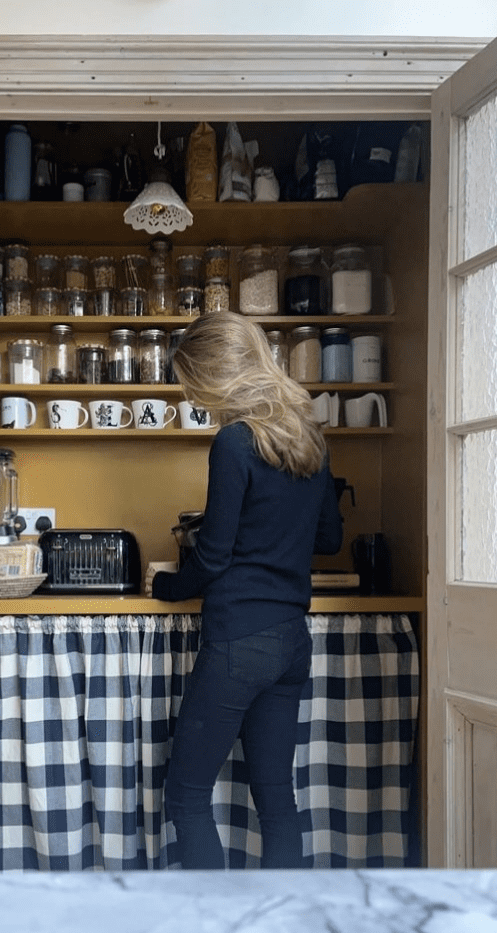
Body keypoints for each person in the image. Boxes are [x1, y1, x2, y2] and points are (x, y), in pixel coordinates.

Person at [146, 311, 343, 870]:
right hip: (290, 642)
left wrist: (165, 585)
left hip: (238, 643)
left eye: (194, 387)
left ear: (216, 376)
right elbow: (328, 537)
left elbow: (212, 556)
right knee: (277, 800)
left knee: (186, 797)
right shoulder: (310, 439)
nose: (196, 400)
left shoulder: (234, 441)